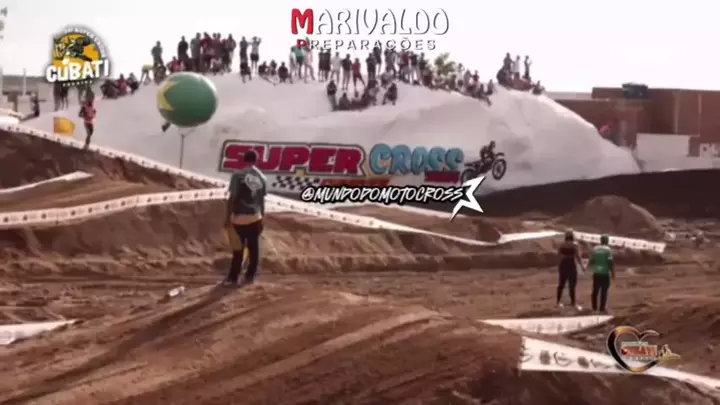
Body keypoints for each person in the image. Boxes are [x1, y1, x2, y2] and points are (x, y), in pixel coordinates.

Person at [225, 150, 267, 286]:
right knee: (254, 248)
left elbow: (232, 198)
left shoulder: (237, 175)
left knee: (238, 249)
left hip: (239, 218)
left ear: (244, 160)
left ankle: (233, 278)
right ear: (256, 160)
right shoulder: (262, 177)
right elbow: (261, 201)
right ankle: (250, 277)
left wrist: (227, 218)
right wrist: (262, 217)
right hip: (256, 217)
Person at [557, 230, 584, 310]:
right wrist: (582, 266)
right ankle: (573, 303)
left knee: (561, 284)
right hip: (571, 265)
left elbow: (558, 255)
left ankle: (558, 302)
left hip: (563, 265)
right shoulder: (575, 245)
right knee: (572, 285)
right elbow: (578, 256)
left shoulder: (562, 244)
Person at [589, 235, 614, 313]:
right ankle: (602, 308)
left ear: (601, 241)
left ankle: (594, 308)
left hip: (596, 272)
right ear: (606, 241)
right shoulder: (608, 250)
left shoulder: (595, 249)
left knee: (595, 291)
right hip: (604, 273)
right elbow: (610, 262)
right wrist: (612, 272)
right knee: (604, 291)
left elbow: (591, 261)